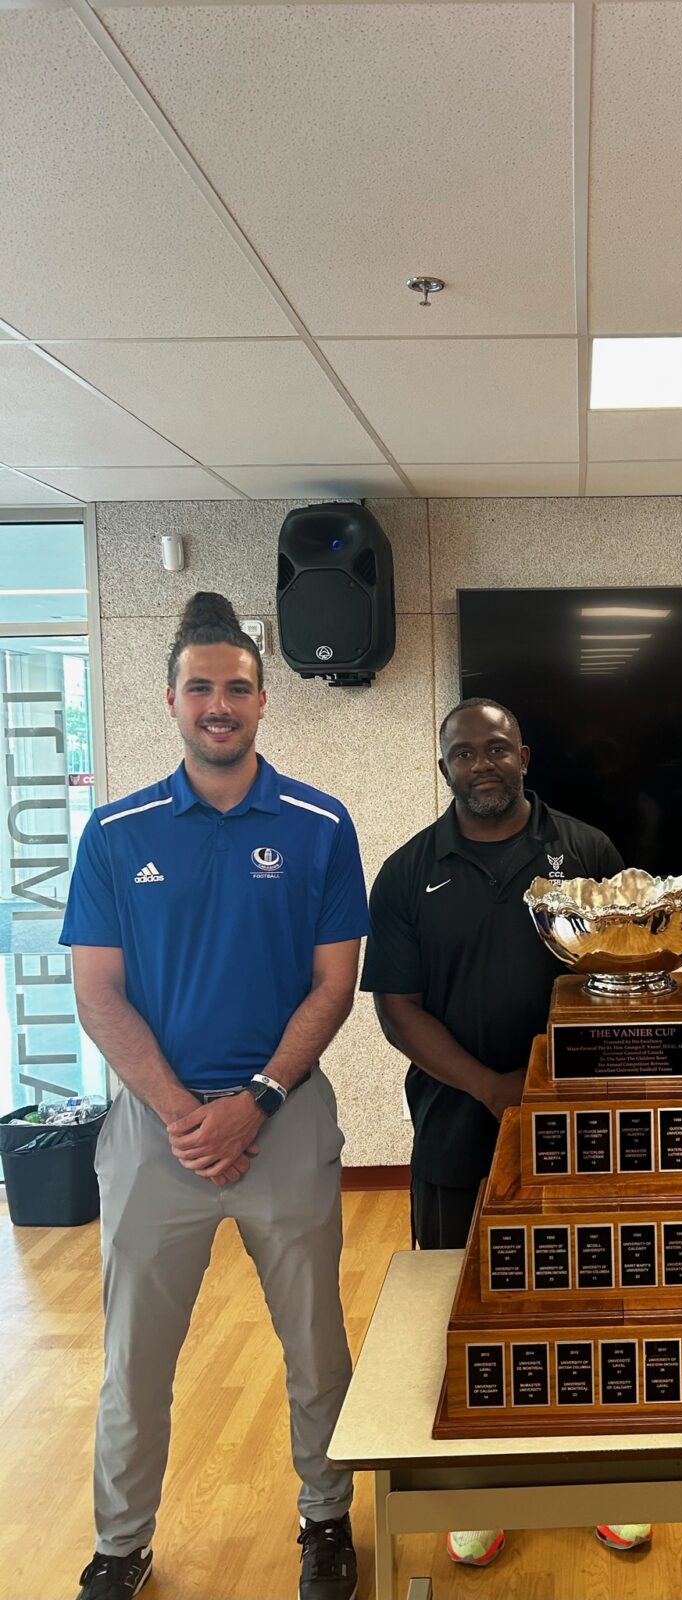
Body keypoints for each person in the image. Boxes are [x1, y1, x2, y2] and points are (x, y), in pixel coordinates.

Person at [61, 593, 368, 1600]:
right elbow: (97, 990)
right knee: (135, 1361)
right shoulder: (115, 831)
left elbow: (334, 982)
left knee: (317, 1347)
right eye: (201, 687)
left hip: (284, 1124)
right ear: (172, 700)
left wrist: (261, 1098)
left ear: (264, 701)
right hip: (157, 1138)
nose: (219, 704)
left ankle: (325, 1521)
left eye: (237, 686)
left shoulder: (322, 824)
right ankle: (121, 1545)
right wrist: (184, 1112)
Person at [361, 696, 649, 1567]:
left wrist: (566, 1093)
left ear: (525, 756)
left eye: (497, 749)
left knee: (596, 1302)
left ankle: (607, 1480)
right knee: (471, 1307)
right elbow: (397, 1011)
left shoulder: (588, 852)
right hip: (458, 1124)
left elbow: (625, 971)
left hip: (581, 1130)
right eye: (463, 753)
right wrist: (489, 1088)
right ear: (442, 767)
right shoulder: (409, 873)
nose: (482, 764)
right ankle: (480, 1488)